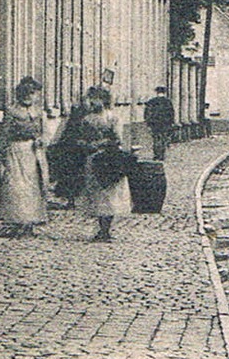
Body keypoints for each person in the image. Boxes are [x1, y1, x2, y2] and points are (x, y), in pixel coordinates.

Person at [75, 86, 131, 243]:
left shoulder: (113, 118)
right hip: (92, 159)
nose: (92, 102)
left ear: (104, 100)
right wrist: (86, 145)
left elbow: (118, 139)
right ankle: (101, 227)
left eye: (95, 99)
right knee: (97, 194)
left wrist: (102, 142)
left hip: (108, 159)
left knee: (110, 194)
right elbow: (80, 138)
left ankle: (106, 228)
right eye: (91, 99)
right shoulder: (86, 120)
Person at [0, 76, 49, 237]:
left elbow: (44, 132)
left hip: (33, 151)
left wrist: (41, 141)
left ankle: (30, 221)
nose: (29, 96)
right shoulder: (12, 111)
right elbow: (5, 133)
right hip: (15, 150)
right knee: (16, 185)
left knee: (33, 185)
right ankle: (17, 221)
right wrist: (0, 151)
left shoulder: (38, 112)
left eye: (32, 93)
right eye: (26, 93)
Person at [143, 85, 175, 161]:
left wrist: (148, 121)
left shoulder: (152, 101)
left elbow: (147, 112)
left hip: (154, 123)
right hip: (165, 123)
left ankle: (156, 154)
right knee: (163, 138)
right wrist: (171, 123)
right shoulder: (168, 102)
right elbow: (171, 113)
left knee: (156, 138)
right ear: (164, 92)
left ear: (157, 92)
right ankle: (161, 154)